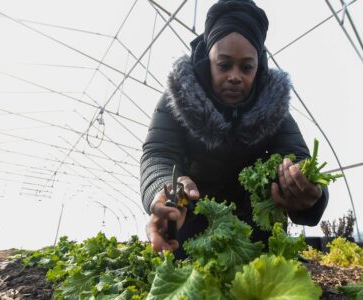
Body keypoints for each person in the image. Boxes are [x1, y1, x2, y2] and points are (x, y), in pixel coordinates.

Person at [140, 0, 328, 258]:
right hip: (191, 236)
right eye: (224, 64)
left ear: (258, 67)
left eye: (246, 67)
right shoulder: (177, 97)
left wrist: (309, 192)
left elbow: (297, 158)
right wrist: (165, 189)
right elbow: (158, 153)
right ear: (208, 60)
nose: (235, 76)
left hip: (255, 243)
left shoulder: (274, 106)